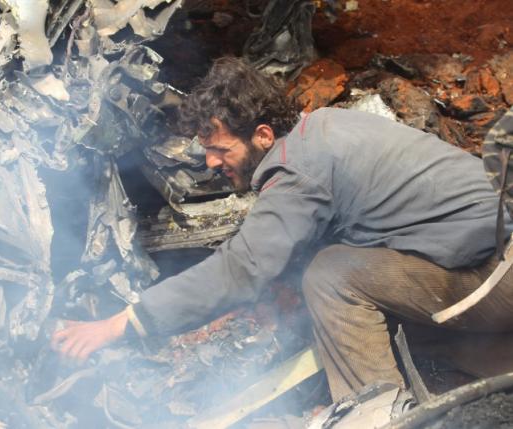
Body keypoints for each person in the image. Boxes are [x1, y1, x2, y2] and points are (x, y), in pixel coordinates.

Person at [52, 57, 513, 401]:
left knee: (331, 277)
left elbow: (242, 268)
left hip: (495, 272)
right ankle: (498, 365)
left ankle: (376, 413)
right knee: (351, 283)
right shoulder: (323, 128)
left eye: (220, 149)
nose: (211, 163)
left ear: (264, 135)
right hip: (490, 251)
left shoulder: (298, 172)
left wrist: (125, 323)